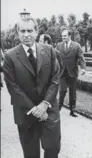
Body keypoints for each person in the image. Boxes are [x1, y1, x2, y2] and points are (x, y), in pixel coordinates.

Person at [3, 17, 61, 158]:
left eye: (30, 30)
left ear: (36, 32)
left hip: (49, 112)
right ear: (18, 33)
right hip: (25, 114)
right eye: (22, 31)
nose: (26, 34)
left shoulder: (49, 51)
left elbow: (55, 79)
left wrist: (44, 104)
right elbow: (13, 87)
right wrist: (34, 109)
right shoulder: (10, 56)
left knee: (53, 150)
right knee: (30, 154)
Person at [56, 28, 86, 117]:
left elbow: (81, 58)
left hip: (73, 72)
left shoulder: (77, 46)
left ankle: (72, 110)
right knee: (62, 91)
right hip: (62, 73)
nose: (63, 37)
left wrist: (83, 68)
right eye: (62, 36)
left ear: (69, 36)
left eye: (65, 36)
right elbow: (54, 57)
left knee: (73, 93)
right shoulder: (58, 46)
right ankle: (58, 108)